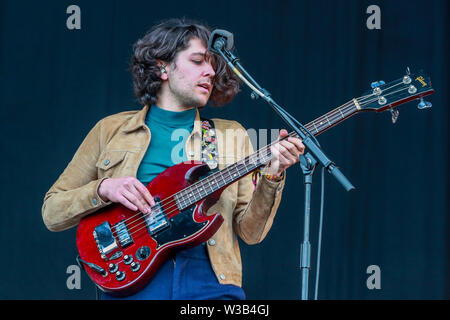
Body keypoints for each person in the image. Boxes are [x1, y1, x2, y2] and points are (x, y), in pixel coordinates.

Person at [41, 18, 305, 300]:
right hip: (135, 281)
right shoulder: (110, 131)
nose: (211, 71)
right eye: (198, 61)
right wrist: (104, 188)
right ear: (162, 66)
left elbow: (251, 232)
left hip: (211, 284)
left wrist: (273, 175)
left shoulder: (231, 135)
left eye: (213, 64)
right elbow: (52, 212)